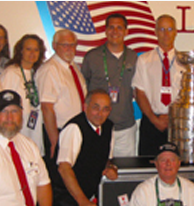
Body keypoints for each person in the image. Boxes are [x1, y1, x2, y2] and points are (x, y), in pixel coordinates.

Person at [54, 89, 118, 206]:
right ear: (85, 107)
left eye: (105, 109)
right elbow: (64, 168)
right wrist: (83, 201)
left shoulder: (109, 127)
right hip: (64, 194)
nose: (100, 113)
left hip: (88, 192)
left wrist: (112, 168)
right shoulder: (74, 128)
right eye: (96, 107)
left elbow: (107, 159)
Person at [81, 13, 138, 157]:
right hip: (98, 126)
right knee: (98, 170)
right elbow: (83, 87)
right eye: (111, 27)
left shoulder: (133, 57)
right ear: (105, 31)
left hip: (126, 126)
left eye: (119, 28)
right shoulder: (92, 56)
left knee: (126, 171)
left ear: (126, 32)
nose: (115, 31)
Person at [36, 29, 87, 187]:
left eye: (73, 45)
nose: (69, 49)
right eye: (65, 45)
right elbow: (46, 107)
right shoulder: (50, 69)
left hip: (74, 132)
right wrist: (54, 141)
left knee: (73, 177)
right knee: (59, 181)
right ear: (54, 45)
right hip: (59, 132)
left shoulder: (73, 67)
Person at [132, 14, 183, 156]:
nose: (166, 33)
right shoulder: (144, 60)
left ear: (175, 32)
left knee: (175, 166)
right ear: (155, 32)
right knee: (148, 165)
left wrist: (173, 118)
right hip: (151, 122)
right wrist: (154, 120)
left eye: (169, 29)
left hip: (177, 124)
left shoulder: (184, 61)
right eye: (161, 29)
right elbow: (139, 92)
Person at [1, 34, 47, 156]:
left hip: (34, 133)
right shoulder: (11, 73)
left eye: (36, 50)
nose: (32, 53)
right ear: (20, 51)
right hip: (16, 134)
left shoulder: (37, 74)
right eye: (28, 49)